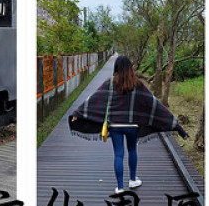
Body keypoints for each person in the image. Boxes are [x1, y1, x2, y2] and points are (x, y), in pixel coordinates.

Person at [69, 55, 188, 193]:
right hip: (132, 127)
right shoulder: (138, 84)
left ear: (116, 67)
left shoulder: (110, 83)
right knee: (132, 151)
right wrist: (174, 122)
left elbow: (94, 99)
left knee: (118, 154)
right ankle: (132, 180)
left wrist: (77, 113)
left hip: (115, 126)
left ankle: (120, 187)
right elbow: (153, 103)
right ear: (130, 68)